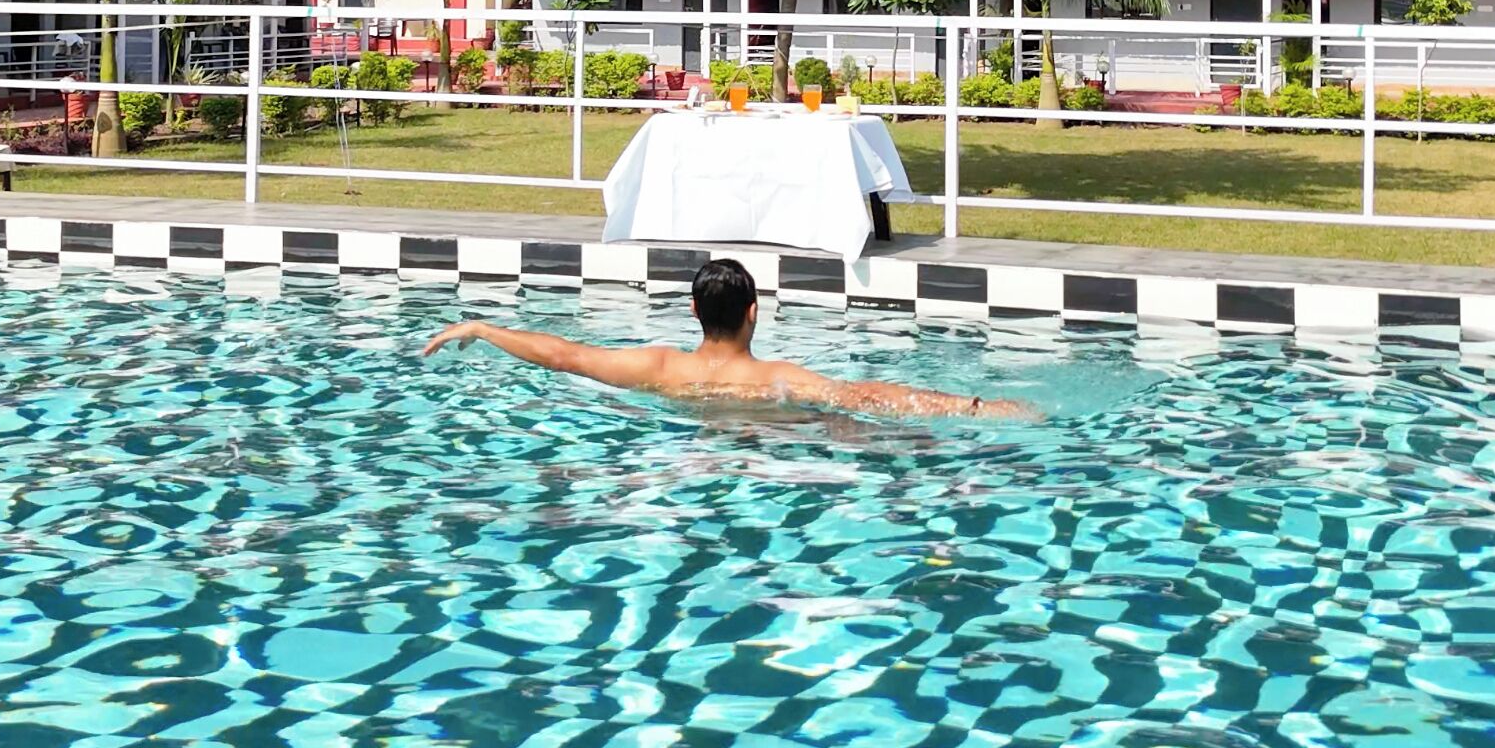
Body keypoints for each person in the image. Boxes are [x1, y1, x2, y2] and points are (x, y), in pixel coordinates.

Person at [421, 257, 1039, 420]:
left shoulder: (658, 369)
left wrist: (479, 325)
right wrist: (975, 406)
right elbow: (872, 394)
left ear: (693, 310)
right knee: (843, 422)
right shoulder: (779, 379)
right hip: (765, 438)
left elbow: (564, 356)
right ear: (754, 312)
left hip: (684, 447)